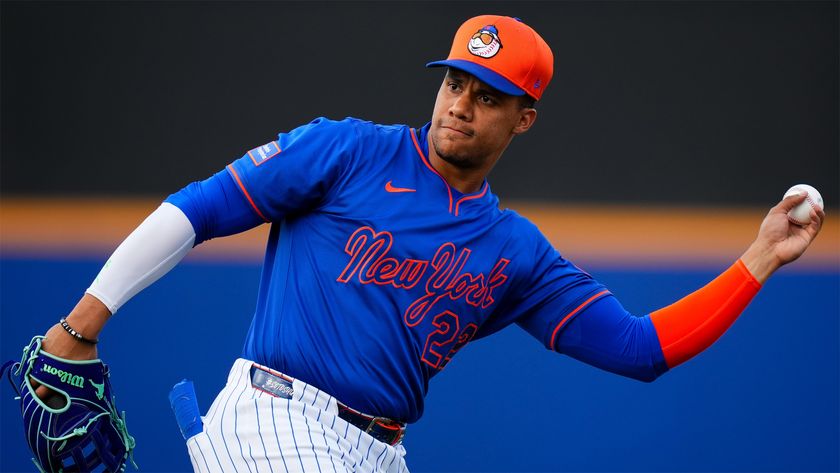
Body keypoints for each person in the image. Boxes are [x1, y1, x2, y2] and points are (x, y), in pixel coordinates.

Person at [30, 14, 823, 473]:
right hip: (276, 417)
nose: (461, 105)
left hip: (381, 454)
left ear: (525, 118)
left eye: (488, 96)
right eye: (454, 83)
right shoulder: (346, 150)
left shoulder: (515, 251)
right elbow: (195, 211)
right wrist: (78, 328)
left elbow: (641, 348)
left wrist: (757, 259)